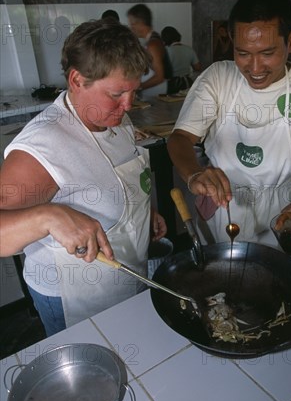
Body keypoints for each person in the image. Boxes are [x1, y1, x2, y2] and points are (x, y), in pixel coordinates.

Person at [0, 19, 167, 336]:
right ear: (77, 80)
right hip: (74, 294)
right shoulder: (44, 146)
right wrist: (48, 215)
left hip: (126, 271)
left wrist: (143, 211)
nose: (128, 104)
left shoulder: (116, 118)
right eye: (117, 93)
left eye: (133, 91)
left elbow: (108, 178)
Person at [167, 0, 291, 247]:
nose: (254, 69)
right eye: (243, 53)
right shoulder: (218, 77)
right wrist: (195, 175)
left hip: (282, 210)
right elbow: (180, 139)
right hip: (220, 204)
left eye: (267, 53)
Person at [127, 4, 172, 99]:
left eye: (132, 24)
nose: (131, 28)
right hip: (152, 93)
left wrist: (138, 87)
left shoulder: (153, 45)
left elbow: (159, 77)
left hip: (156, 94)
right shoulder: (152, 40)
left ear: (141, 23)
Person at [161, 26, 202, 94]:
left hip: (171, 85)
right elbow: (198, 67)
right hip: (187, 83)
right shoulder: (189, 49)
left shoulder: (165, 51)